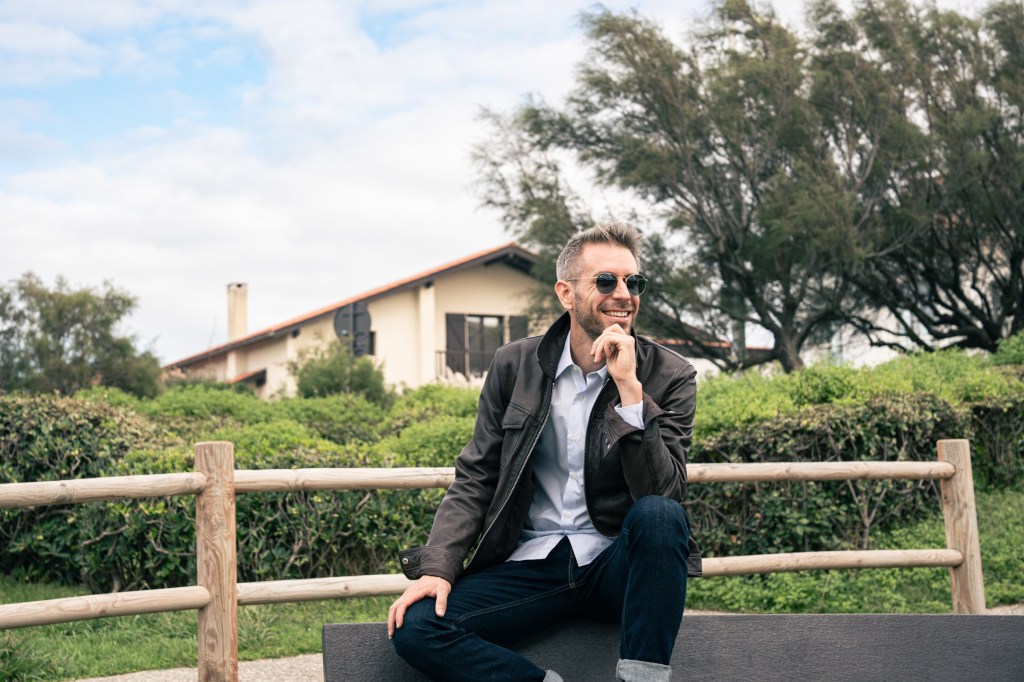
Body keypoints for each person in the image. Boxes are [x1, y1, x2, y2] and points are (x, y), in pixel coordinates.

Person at [388, 223, 701, 681]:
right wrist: (438, 567)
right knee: (416, 626)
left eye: (633, 282)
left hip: (614, 566)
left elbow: (663, 492)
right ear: (566, 293)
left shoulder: (671, 375)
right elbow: (477, 475)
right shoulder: (513, 364)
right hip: (531, 567)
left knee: (660, 515)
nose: (623, 294)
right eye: (606, 281)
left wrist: (630, 391)